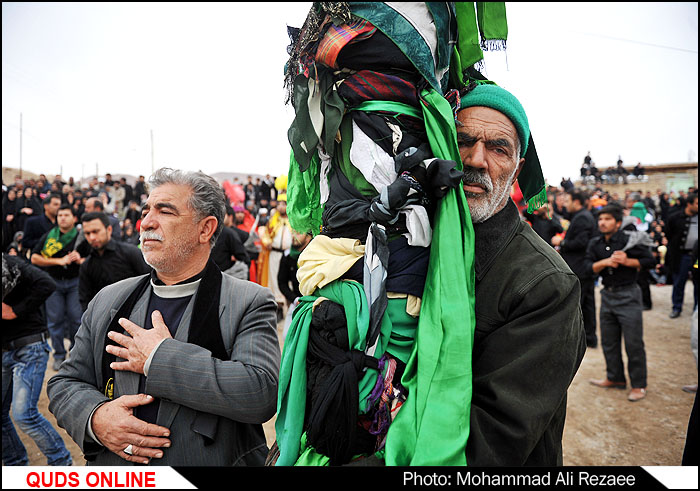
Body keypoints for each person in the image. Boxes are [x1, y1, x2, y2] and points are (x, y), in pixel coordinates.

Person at [47, 168, 280, 466]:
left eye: (165, 211)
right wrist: (96, 418)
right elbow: (65, 383)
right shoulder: (109, 299)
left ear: (205, 229)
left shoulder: (248, 301)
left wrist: (159, 358)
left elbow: (259, 393)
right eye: (146, 210)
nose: (146, 222)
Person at [2, 253, 73, 466]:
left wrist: (16, 311)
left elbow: (46, 283)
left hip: (28, 347)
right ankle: (15, 465)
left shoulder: (10, 264)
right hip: (4, 351)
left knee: (24, 415)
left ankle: (61, 463)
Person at [586, 204, 655, 402]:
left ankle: (639, 385)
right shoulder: (595, 243)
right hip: (607, 295)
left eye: (607, 219)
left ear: (617, 222)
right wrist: (604, 263)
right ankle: (614, 378)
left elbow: (650, 261)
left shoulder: (629, 240)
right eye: (600, 219)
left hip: (629, 294)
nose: (602, 223)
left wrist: (628, 261)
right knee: (609, 341)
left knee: (633, 343)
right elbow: (587, 267)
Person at [30, 204, 89, 370]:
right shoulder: (50, 236)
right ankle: (59, 355)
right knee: (54, 321)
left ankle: (76, 355)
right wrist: (59, 261)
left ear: (74, 218)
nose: (62, 218)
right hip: (53, 283)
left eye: (66, 215)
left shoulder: (81, 237)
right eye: (60, 215)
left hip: (75, 283)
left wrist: (80, 260)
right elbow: (34, 258)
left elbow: (93, 259)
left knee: (76, 319)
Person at [552, 189, 598, 347]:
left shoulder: (583, 218)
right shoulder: (581, 216)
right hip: (582, 266)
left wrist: (561, 243)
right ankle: (589, 338)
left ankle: (578, 340)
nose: (565, 204)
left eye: (568, 200)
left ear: (576, 202)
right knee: (587, 304)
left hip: (580, 267)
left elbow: (581, 243)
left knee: (578, 304)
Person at [78, 211, 150, 311]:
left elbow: (149, 282)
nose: (92, 237)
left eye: (96, 231)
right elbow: (85, 300)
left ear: (109, 229)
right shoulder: (87, 265)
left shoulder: (130, 253)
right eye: (87, 233)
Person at [666, 192, 698, 318]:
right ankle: (676, 307)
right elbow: (669, 234)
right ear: (689, 204)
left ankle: (696, 309)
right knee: (679, 282)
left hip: (697, 258)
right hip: (681, 256)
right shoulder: (675, 218)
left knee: (698, 282)